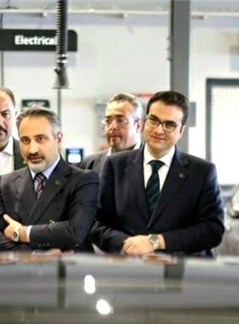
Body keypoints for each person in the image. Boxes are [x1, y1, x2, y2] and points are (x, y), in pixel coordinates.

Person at [91, 90, 224, 257]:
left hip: (182, 267)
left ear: (181, 131)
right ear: (144, 122)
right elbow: (96, 222)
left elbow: (212, 229)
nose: (159, 130)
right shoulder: (115, 166)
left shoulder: (202, 172)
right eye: (153, 120)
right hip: (129, 265)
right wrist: (125, 244)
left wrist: (157, 241)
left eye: (169, 124)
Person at [0, 106, 99, 252]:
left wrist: (21, 232)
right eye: (25, 140)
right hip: (22, 266)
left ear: (58, 139)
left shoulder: (83, 180)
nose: (32, 150)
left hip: (69, 265)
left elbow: (75, 231)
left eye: (40, 139)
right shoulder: (5, 184)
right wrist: (32, 256)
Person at [79, 92, 144, 174]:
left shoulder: (151, 163)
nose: (112, 127)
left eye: (120, 120)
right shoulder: (88, 164)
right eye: (108, 121)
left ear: (138, 126)